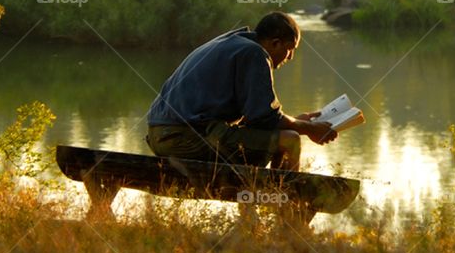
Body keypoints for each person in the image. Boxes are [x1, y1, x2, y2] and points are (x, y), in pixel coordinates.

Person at [145, 11, 339, 170]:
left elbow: (255, 119)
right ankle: (287, 210)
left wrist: (297, 120)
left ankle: (261, 207)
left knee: (276, 138)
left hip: (162, 136)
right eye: (290, 49)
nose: (290, 57)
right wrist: (308, 128)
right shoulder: (255, 54)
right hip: (182, 138)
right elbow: (266, 117)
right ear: (275, 43)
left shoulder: (234, 43)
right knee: (290, 140)